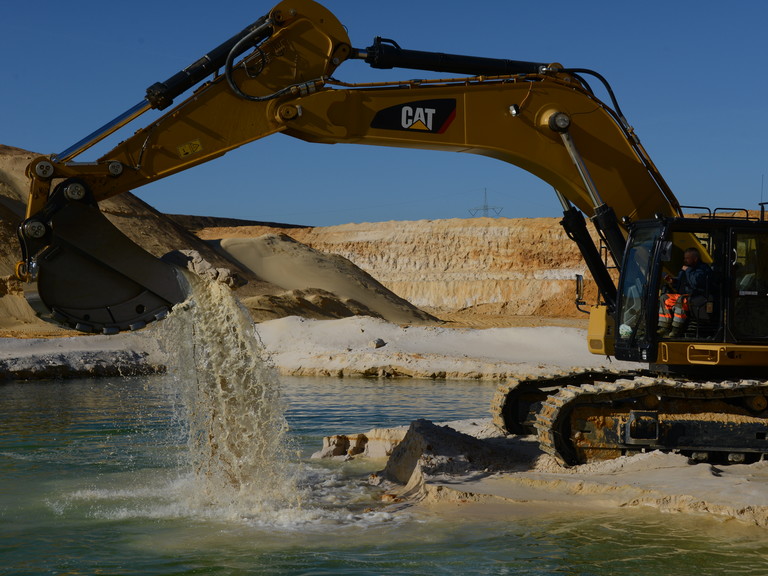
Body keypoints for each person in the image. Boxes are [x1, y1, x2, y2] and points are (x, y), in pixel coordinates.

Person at [657, 247, 712, 338]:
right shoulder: (686, 269)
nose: (685, 260)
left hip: (697, 296)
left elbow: (695, 283)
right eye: (684, 258)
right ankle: (664, 327)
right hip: (682, 295)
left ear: (695, 259)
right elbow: (681, 283)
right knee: (665, 298)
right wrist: (672, 281)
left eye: (687, 258)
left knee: (681, 299)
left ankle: (676, 329)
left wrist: (688, 271)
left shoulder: (702, 269)